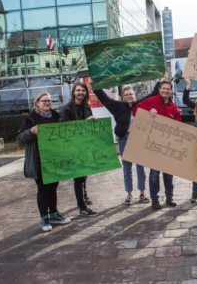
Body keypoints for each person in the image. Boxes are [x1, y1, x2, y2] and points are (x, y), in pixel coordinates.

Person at [93, 82, 160, 206]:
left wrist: (162, 79)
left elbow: (154, 94)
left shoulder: (141, 104)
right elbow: (104, 98)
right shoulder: (117, 106)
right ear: (124, 96)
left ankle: (142, 193)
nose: (129, 96)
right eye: (127, 94)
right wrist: (95, 83)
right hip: (124, 140)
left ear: (134, 95)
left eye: (131, 94)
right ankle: (129, 194)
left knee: (140, 169)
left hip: (138, 140)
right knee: (127, 169)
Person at [17, 92, 71, 232]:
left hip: (55, 158)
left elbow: (68, 130)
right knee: (43, 189)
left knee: (53, 187)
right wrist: (30, 132)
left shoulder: (57, 116)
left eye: (49, 100)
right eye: (44, 100)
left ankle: (54, 213)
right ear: (37, 103)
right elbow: (20, 138)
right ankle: (44, 218)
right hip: (39, 160)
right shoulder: (31, 118)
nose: (47, 103)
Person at [135, 80, 182, 210]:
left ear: (171, 91)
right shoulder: (151, 101)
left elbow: (179, 127)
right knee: (154, 174)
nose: (166, 91)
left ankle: (169, 198)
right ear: (160, 89)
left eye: (168, 89)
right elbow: (135, 110)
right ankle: (154, 200)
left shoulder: (174, 108)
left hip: (168, 146)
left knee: (168, 173)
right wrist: (149, 110)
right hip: (154, 144)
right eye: (164, 88)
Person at [60, 82, 97, 217]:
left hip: (84, 146)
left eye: (83, 90)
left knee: (84, 174)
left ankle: (84, 196)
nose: (81, 92)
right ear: (74, 92)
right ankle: (82, 207)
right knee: (78, 177)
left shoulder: (87, 107)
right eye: (78, 90)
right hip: (73, 147)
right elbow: (64, 128)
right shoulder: (66, 109)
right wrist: (84, 123)